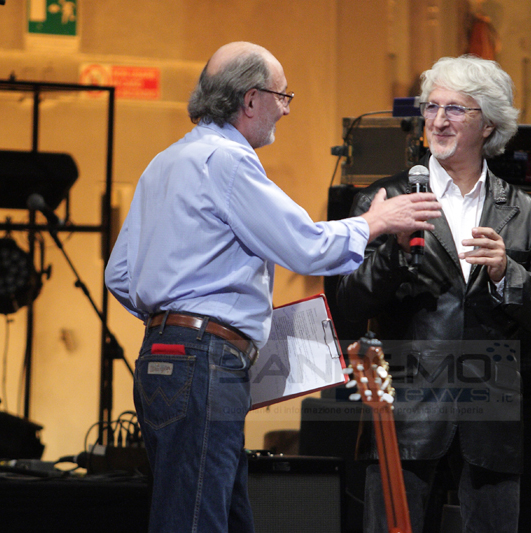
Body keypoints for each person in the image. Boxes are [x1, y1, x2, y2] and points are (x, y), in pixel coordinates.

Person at [104, 41, 441, 533]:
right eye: (283, 96)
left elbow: (118, 274)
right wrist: (376, 221)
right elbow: (304, 245)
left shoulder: (165, 161)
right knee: (196, 521)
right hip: (202, 362)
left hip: (162, 358)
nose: (285, 109)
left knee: (220, 515)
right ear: (250, 99)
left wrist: (172, 319)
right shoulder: (227, 161)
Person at [336, 55, 531, 533]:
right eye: (432, 107)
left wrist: (507, 273)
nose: (439, 120)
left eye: (456, 109)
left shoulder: (524, 213)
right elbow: (348, 306)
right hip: (404, 417)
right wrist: (394, 252)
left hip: (491, 421)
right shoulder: (386, 200)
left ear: (489, 125)